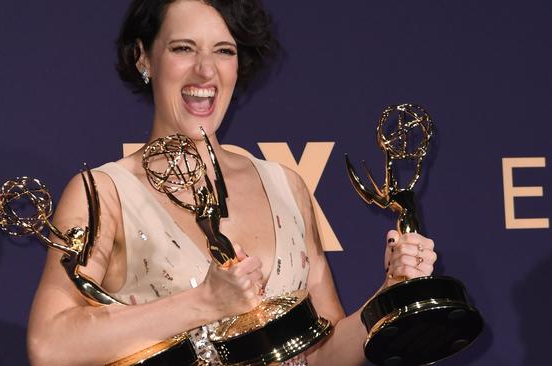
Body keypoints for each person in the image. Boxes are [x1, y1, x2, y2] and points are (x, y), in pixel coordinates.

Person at [27, 0, 437, 365]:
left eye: (223, 51)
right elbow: (50, 346)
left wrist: (390, 296)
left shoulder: (286, 187)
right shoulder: (104, 193)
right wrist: (203, 302)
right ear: (143, 57)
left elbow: (320, 353)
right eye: (183, 48)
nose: (205, 70)